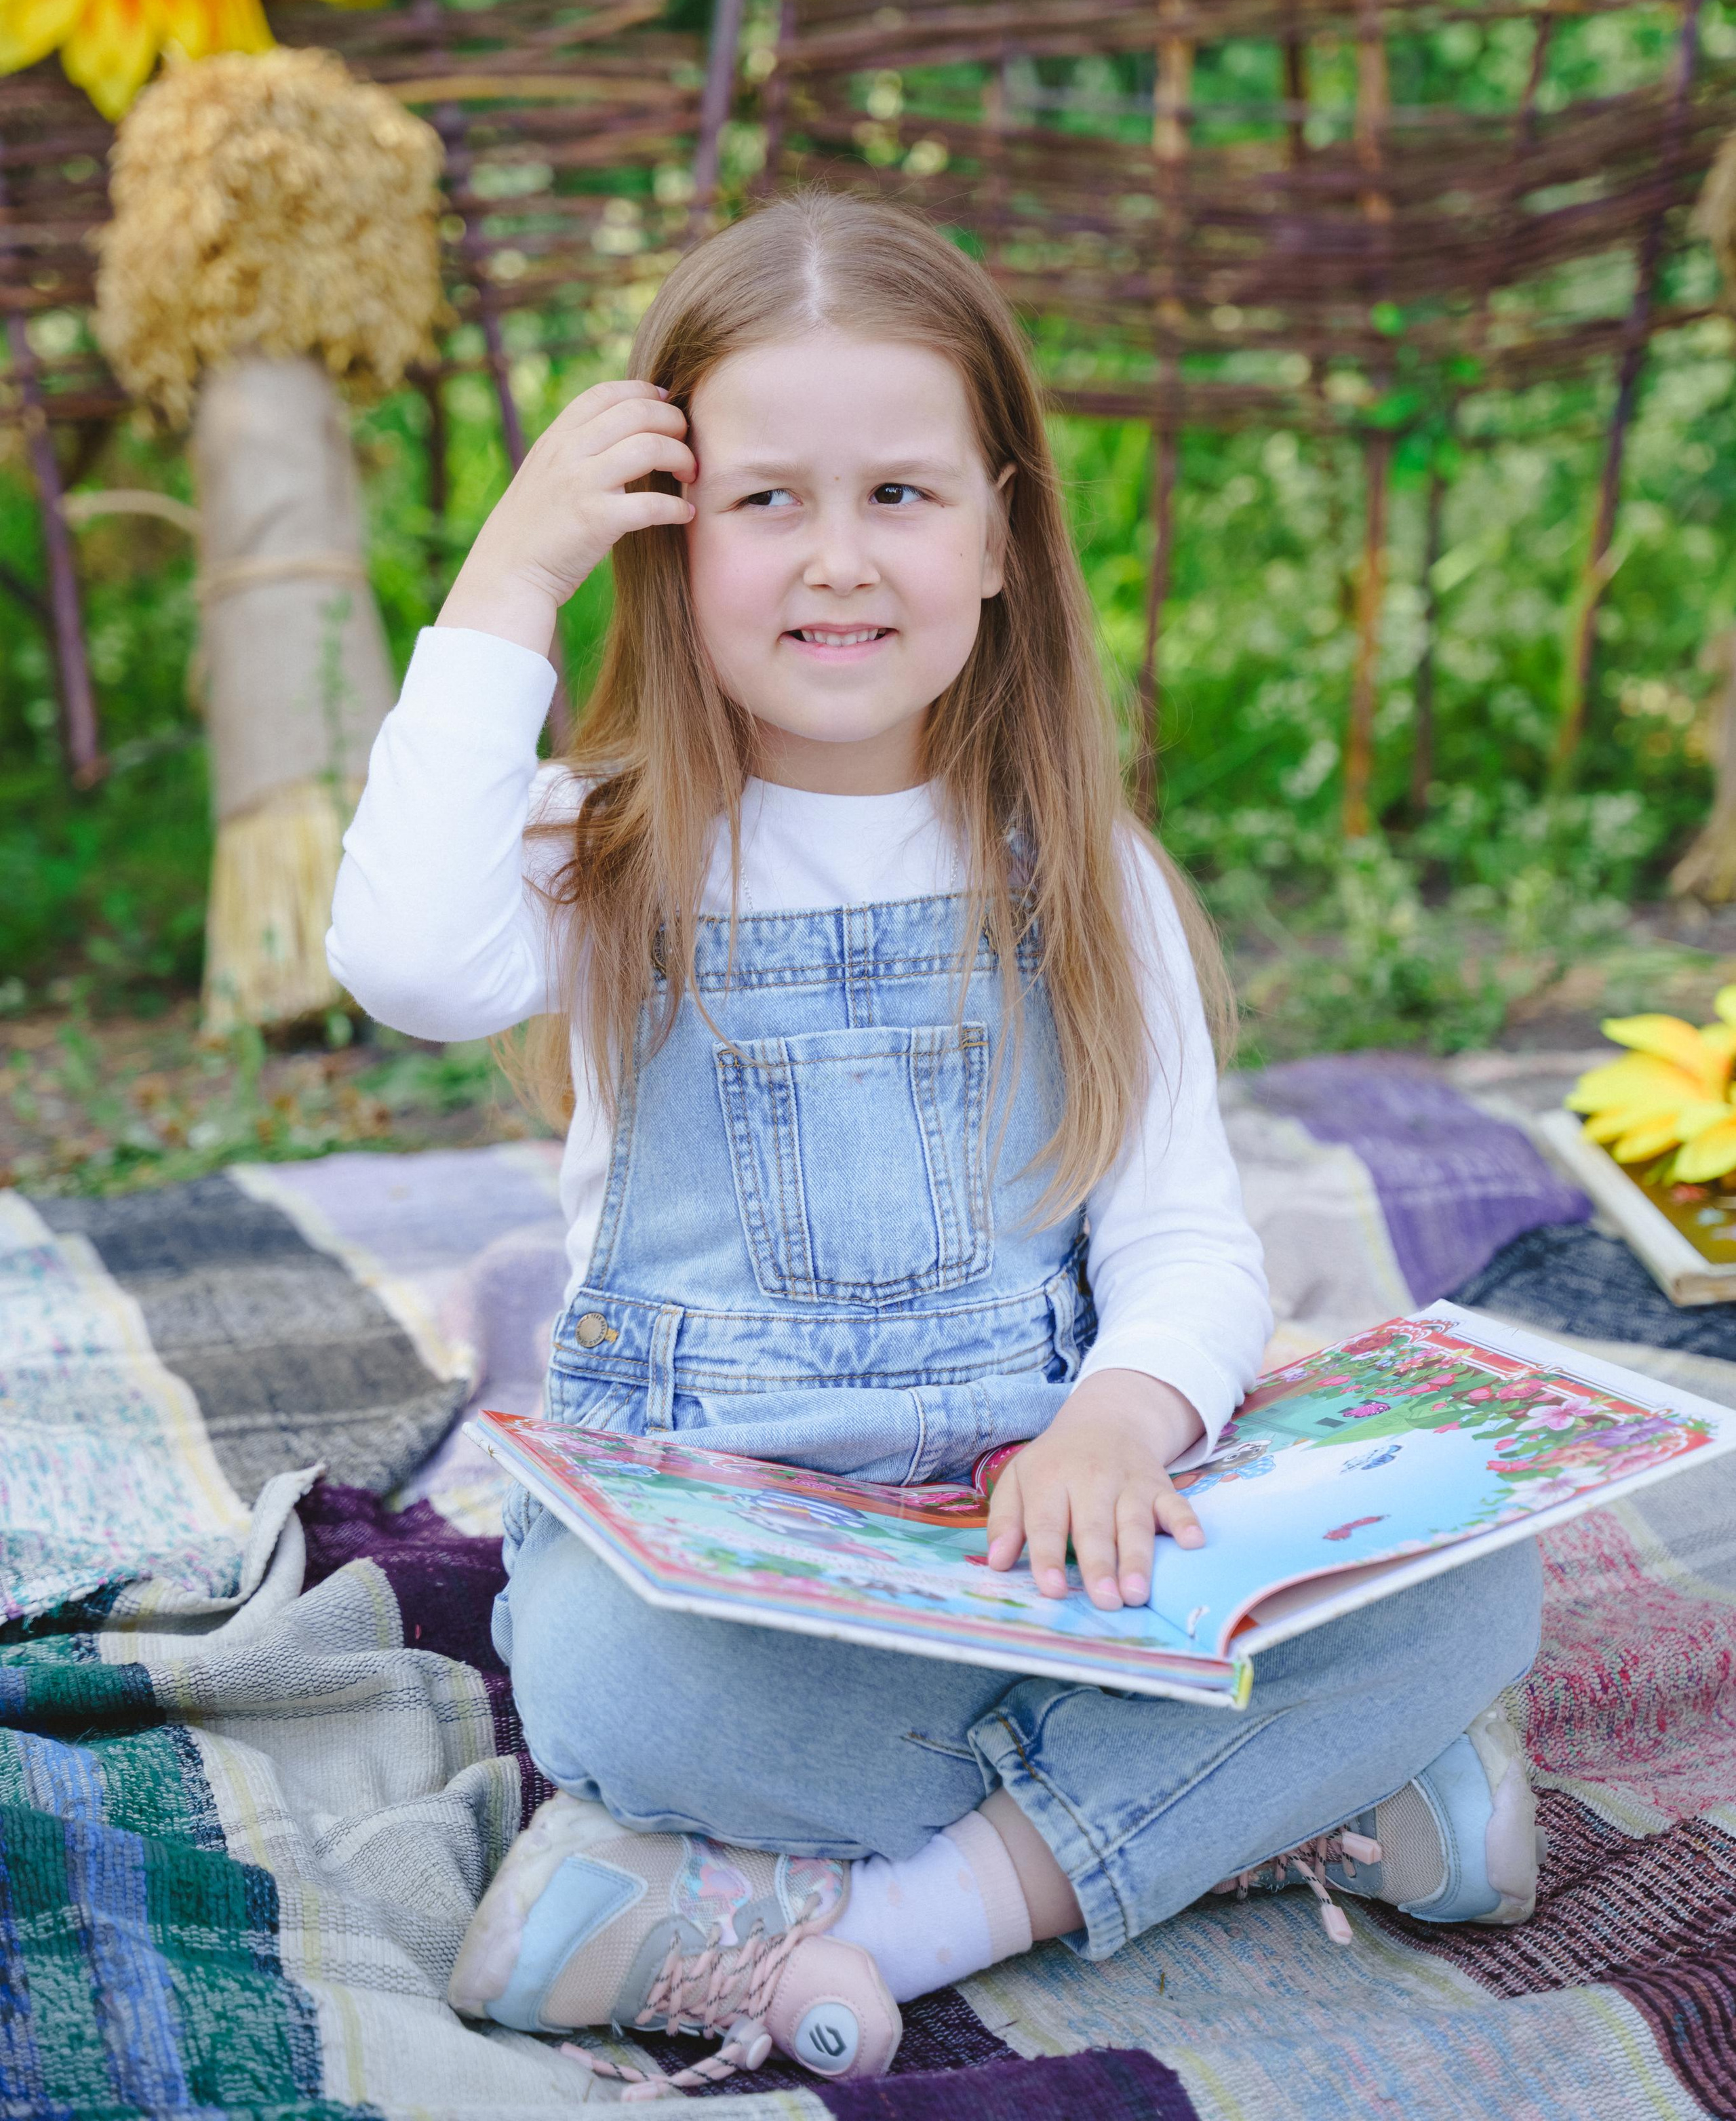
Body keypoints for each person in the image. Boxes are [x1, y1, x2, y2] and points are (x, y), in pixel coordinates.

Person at [328, 196, 1542, 2097]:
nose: (836, 561)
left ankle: (864, 1917)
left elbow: (1190, 1252)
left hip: (1052, 1549)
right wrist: (509, 574)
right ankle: (1290, 1795)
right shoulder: (604, 855)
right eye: (763, 502)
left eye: (899, 496)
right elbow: (398, 960)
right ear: (668, 536)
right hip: (741, 1595)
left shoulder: (1078, 869)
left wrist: (1117, 1422)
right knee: (602, 1684)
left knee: (1478, 1577)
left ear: (999, 532)